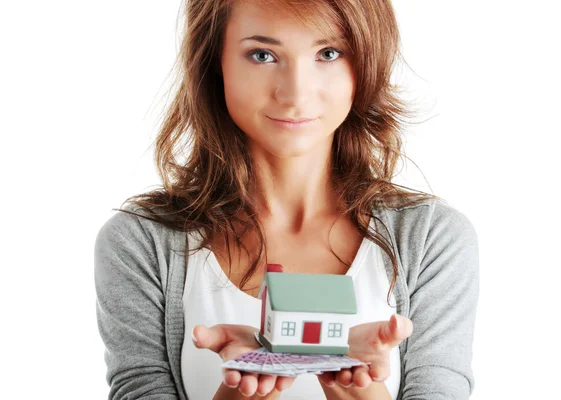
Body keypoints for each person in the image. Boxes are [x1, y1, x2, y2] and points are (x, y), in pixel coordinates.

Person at [94, 0, 479, 399]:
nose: (295, 93)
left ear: (366, 62)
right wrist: (239, 394)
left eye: (328, 53)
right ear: (214, 63)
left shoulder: (433, 238)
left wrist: (362, 391)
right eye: (262, 55)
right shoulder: (141, 241)